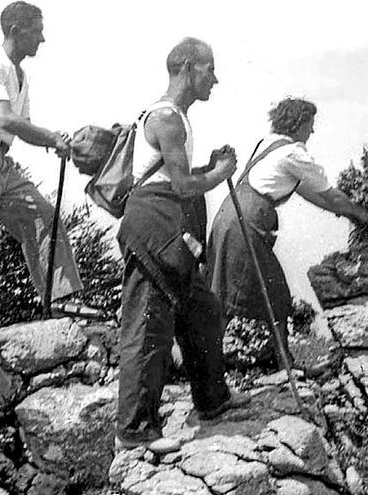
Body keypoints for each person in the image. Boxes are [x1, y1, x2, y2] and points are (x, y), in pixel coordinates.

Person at [115, 37, 250, 455]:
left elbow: (175, 176)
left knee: (202, 310)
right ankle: (134, 431)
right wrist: (222, 171)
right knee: (149, 323)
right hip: (153, 226)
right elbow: (180, 185)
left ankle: (212, 400)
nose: (215, 78)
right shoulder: (168, 119)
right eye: (209, 68)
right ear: (188, 68)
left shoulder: (174, 119)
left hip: (162, 225)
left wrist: (207, 167)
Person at [0, 1, 96, 336]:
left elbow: (20, 126)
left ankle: (61, 297)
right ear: (15, 30)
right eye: (37, 31)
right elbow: (6, 119)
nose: (42, 39)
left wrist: (54, 141)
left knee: (41, 215)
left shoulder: (20, 74)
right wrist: (54, 138)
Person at [209, 97, 368, 366]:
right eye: (310, 124)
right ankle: (282, 361)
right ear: (298, 124)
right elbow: (329, 195)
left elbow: (308, 192)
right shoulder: (294, 153)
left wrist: (342, 211)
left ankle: (214, 365)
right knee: (275, 292)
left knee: (224, 291)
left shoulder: (270, 143)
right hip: (246, 222)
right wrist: (361, 213)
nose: (312, 131)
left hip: (230, 215)